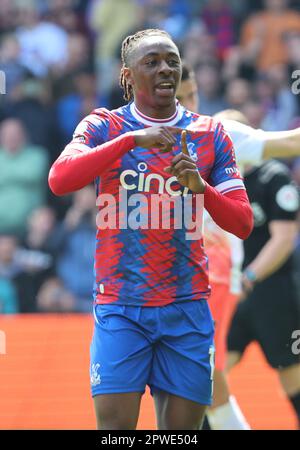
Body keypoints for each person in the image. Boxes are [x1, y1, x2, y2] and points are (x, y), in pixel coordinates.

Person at [48, 29, 253, 430]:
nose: (165, 69)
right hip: (121, 306)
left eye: (172, 60)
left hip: (188, 308)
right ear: (128, 76)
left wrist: (203, 189)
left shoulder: (209, 134)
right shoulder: (104, 126)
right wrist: (128, 142)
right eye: (152, 61)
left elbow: (243, 223)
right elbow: (60, 179)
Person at [177, 63, 300, 429]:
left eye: (191, 95)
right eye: (175, 96)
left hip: (213, 279)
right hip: (164, 282)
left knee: (195, 381)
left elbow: (291, 142)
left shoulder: (218, 134)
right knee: (195, 384)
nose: (185, 105)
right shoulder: (136, 138)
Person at [227, 138, 300, 430]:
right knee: (210, 373)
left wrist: (249, 277)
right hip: (232, 297)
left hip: (273, 293)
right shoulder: (219, 182)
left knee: (290, 373)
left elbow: (284, 239)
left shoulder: (274, 177)